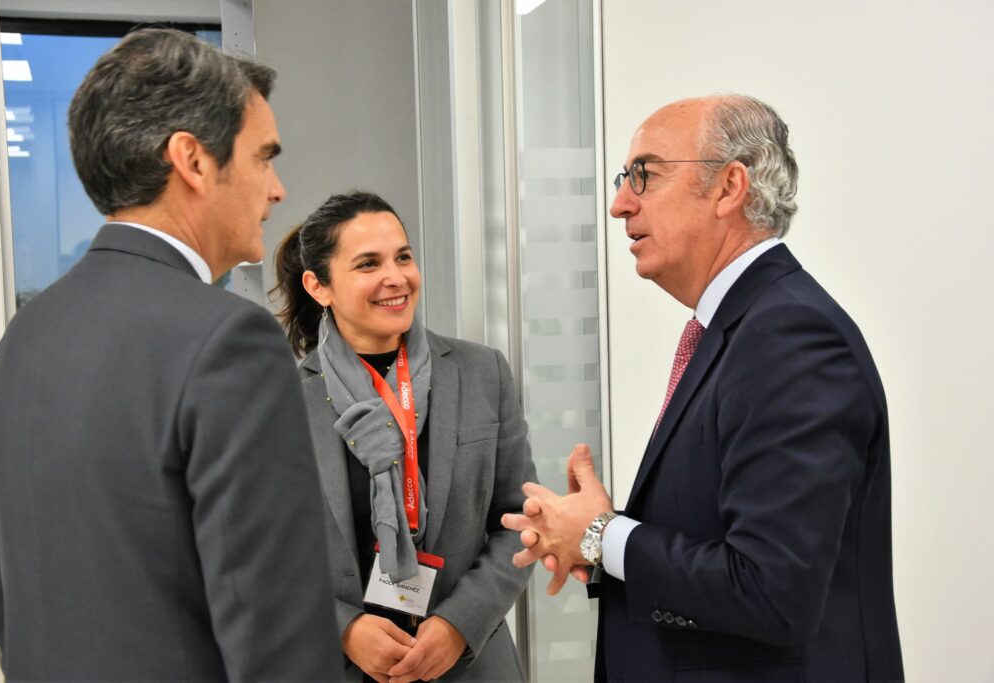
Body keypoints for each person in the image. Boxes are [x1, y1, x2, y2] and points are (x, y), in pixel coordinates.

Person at [0, 28, 341, 680]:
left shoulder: (21, 343)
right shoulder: (231, 341)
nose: (278, 188)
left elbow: (12, 602)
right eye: (263, 158)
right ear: (193, 161)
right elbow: (280, 643)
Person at [502, 94, 904, 682]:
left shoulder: (789, 334)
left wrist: (603, 535)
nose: (619, 204)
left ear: (729, 187)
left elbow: (771, 590)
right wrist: (604, 542)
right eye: (624, 178)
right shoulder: (744, 327)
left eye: (645, 175)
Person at [273, 190, 535, 682]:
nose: (395, 278)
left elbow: (518, 522)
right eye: (368, 264)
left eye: (403, 257)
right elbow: (261, 557)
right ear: (318, 286)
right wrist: (345, 630)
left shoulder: (482, 372)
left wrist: (460, 623)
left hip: (471, 664)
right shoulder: (279, 401)